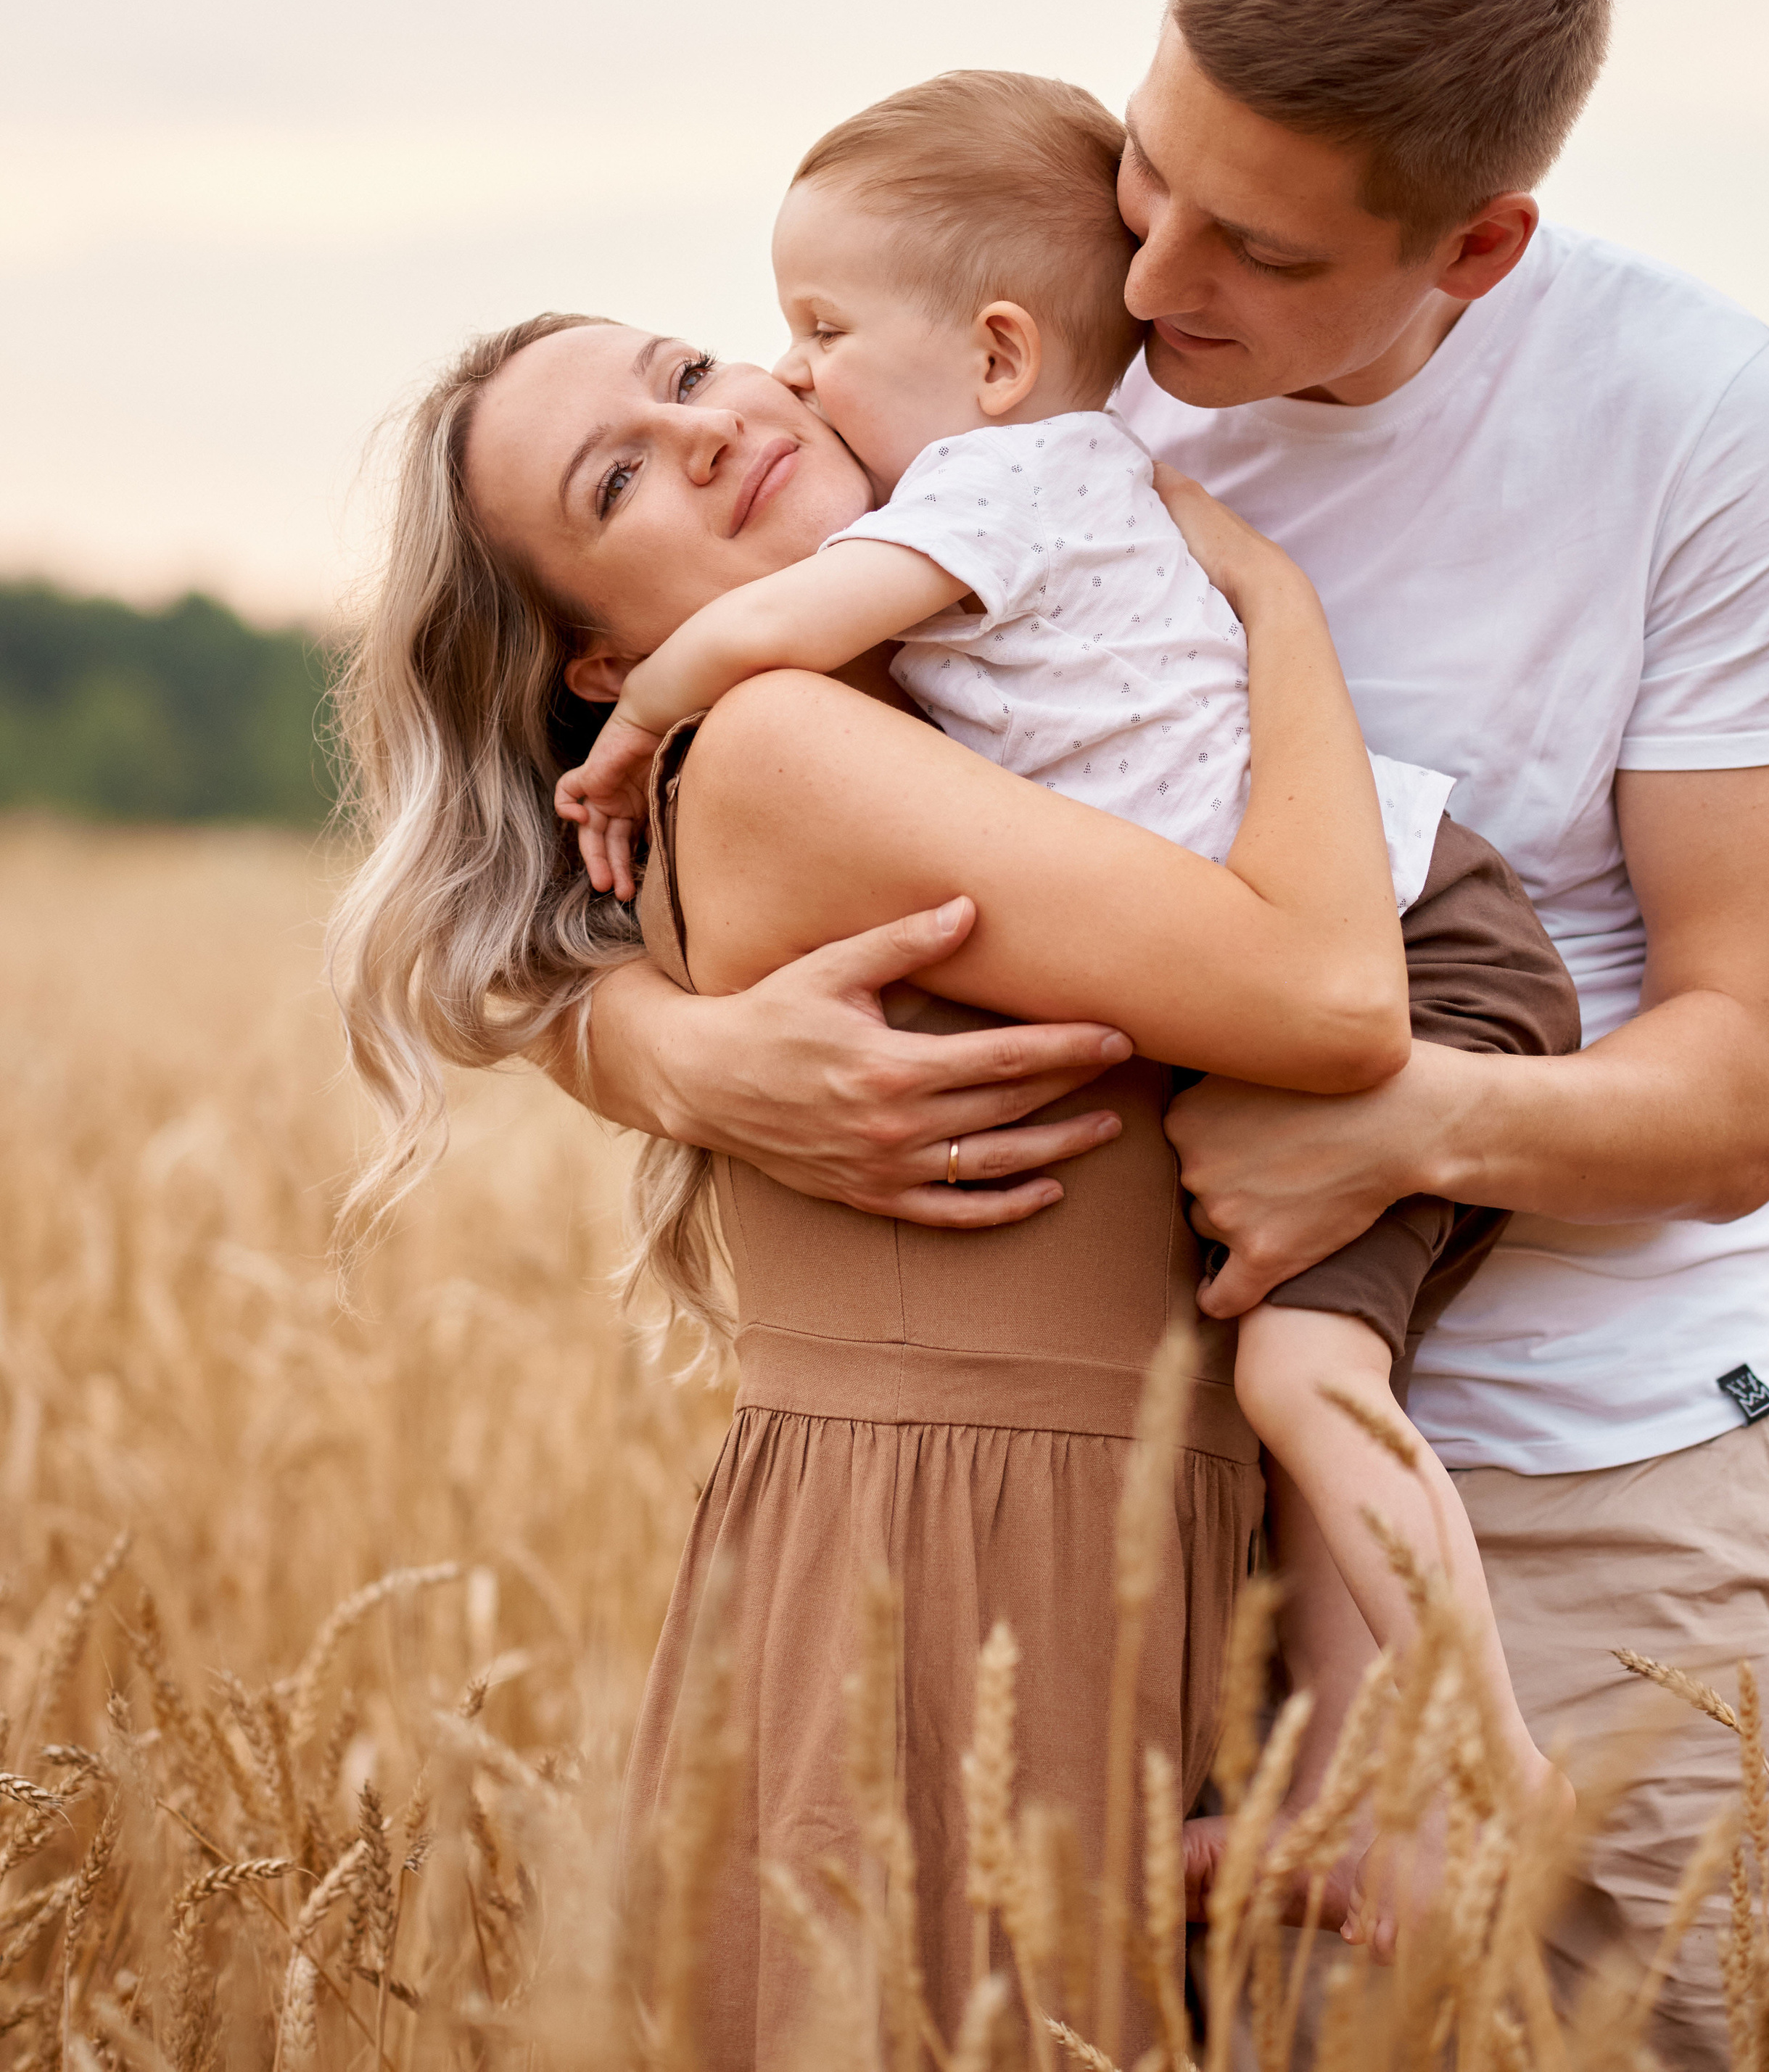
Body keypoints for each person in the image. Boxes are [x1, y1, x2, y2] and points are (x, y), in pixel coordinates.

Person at [567, 0, 1769, 2064]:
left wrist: (1381, 1119)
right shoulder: (1028, 340)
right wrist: (667, 1054)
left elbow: (1743, 1096)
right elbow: (604, 786)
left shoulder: (1702, 427)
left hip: (1596, 1480)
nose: (1156, 288)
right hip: (1145, 1524)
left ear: (1478, 244)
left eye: (1249, 249)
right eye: (1148, 175)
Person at [327, 292, 1430, 2063]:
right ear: (599, 671)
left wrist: (642, 1049)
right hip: (961, 1577)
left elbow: (526, 962)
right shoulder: (775, 747)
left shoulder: (954, 712)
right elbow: (1323, 996)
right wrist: (1274, 604)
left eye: (686, 372)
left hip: (1095, 1551)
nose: (696, 428)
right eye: (617, 483)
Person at [553, 66, 1582, 1880]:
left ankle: (1454, 1772)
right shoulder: (843, 690)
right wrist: (643, 1040)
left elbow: (1335, 1009)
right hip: (987, 1525)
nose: (759, 391)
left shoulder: (981, 513)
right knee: (1314, 1383)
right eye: (618, 471)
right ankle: (1383, 1795)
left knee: (1311, 1385)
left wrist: (645, 717)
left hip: (1420, 956)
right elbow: (482, 964)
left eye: (721, 355)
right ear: (567, 641)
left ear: (1003, 353)